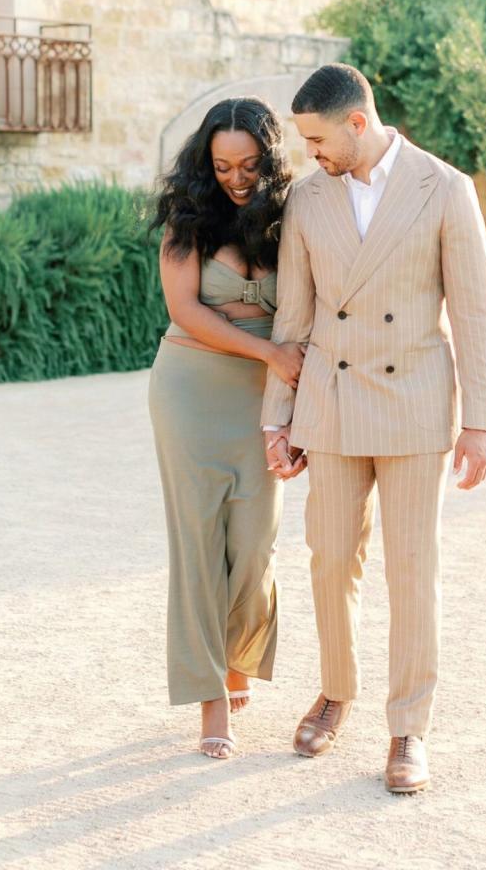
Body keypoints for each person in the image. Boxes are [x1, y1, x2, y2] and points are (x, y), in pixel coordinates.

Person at [261, 64, 486, 793]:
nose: (311, 153)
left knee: (411, 569)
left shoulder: (445, 189)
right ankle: (337, 690)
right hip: (330, 402)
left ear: (358, 124)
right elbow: (293, 317)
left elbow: (473, 312)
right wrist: (277, 417)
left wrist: (479, 424)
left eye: (318, 139)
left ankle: (408, 729)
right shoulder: (308, 199)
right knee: (330, 559)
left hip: (414, 402)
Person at [149, 97, 306, 761]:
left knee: (256, 540)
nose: (235, 178)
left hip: (262, 398)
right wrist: (269, 350)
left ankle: (240, 654)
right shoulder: (187, 220)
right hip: (190, 389)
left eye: (247, 166)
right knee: (198, 541)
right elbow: (185, 309)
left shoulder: (292, 218)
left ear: (269, 161)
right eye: (221, 165)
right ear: (204, 162)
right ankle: (213, 695)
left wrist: (289, 387)